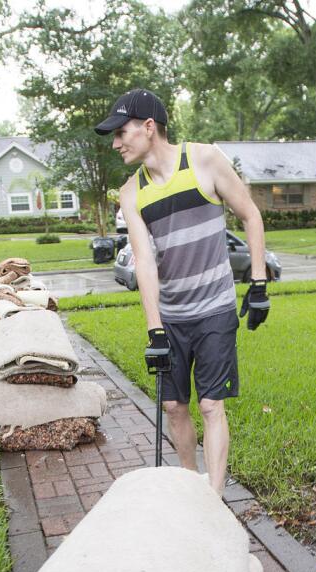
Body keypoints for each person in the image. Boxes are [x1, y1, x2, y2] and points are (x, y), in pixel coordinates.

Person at [95, 88, 269, 496]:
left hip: (214, 309)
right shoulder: (131, 192)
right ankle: (192, 490)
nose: (116, 144)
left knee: (211, 405)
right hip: (172, 315)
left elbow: (250, 213)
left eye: (121, 133)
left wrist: (258, 283)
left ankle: (213, 499)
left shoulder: (205, 160)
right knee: (175, 408)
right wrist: (155, 329)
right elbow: (144, 261)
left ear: (149, 127)